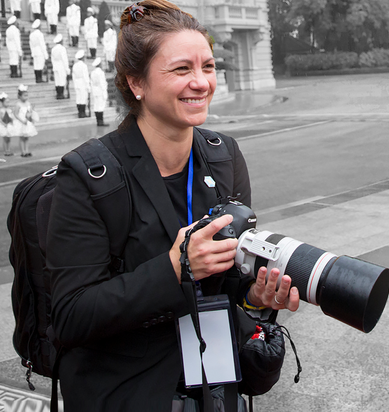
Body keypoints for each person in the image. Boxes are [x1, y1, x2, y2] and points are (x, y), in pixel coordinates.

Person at [46, 1, 300, 411]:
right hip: (127, 390)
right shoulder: (86, 176)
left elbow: (229, 277)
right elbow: (72, 316)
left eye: (208, 66)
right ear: (137, 84)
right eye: (181, 70)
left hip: (213, 384)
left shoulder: (223, 155)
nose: (201, 82)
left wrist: (255, 294)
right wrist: (175, 268)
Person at [13, 84, 38, 157]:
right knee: (22, 137)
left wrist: (31, 118)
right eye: (24, 95)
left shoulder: (28, 103)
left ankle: (27, 150)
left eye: (27, 95)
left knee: (27, 137)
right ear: (20, 96)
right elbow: (16, 114)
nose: (26, 97)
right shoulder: (18, 104)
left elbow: (30, 112)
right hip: (21, 122)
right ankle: (23, 152)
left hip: (27, 122)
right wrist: (21, 120)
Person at [71, 49, 90, 118]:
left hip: (77, 82)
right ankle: (82, 113)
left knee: (78, 97)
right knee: (83, 97)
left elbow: (73, 76)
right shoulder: (84, 66)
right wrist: (88, 86)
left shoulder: (75, 65)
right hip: (82, 82)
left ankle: (79, 112)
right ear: (83, 57)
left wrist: (75, 84)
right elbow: (86, 77)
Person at [90, 57, 108, 126]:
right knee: (101, 106)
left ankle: (98, 121)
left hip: (95, 91)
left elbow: (91, 83)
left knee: (96, 106)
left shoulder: (93, 72)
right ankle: (101, 121)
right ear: (100, 64)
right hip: (100, 90)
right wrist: (104, 92)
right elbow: (102, 83)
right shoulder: (100, 72)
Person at [51, 34, 70, 100]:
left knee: (57, 80)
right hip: (61, 65)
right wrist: (67, 69)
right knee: (61, 80)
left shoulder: (53, 49)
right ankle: (61, 94)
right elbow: (64, 59)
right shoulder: (62, 48)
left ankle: (58, 94)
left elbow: (52, 59)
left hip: (55, 65)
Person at [0, 92, 17, 156]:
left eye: (8, 102)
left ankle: (9, 150)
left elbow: (11, 117)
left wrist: (12, 121)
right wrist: (3, 124)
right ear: (2, 102)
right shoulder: (1, 110)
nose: (8, 103)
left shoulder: (9, 109)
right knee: (5, 139)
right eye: (6, 102)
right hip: (4, 126)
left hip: (9, 125)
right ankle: (5, 151)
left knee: (9, 139)